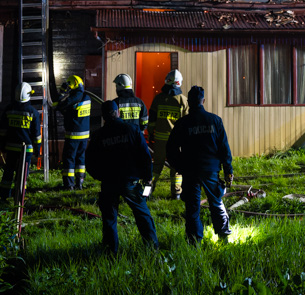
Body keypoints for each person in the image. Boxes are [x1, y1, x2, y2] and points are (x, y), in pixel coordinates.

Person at [85, 99, 159, 254]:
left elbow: (90, 162)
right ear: (117, 112)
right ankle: (152, 248)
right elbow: (145, 156)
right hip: (130, 181)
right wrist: (147, 178)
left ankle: (110, 252)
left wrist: (101, 176)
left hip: (109, 182)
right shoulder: (132, 130)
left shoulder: (98, 135)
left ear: (104, 117)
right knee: (142, 214)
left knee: (109, 218)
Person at [167, 86, 233, 244]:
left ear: (189, 102)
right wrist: (228, 171)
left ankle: (194, 241)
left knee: (192, 208)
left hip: (190, 170)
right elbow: (225, 148)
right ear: (203, 101)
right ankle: (223, 237)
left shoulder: (183, 123)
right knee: (216, 202)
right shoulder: (215, 120)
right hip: (210, 170)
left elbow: (170, 148)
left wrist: (178, 165)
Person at [148, 69, 189, 199]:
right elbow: (186, 123)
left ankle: (147, 192)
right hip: (176, 141)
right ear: (179, 83)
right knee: (176, 167)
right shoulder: (183, 100)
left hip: (160, 140)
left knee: (157, 166)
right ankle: (176, 193)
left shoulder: (158, 99)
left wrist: (150, 134)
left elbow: (152, 120)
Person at [0, 82, 41, 202]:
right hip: (26, 149)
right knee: (22, 174)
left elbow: (2, 131)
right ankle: (19, 197)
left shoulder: (8, 110)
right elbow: (36, 135)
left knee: (8, 172)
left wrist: (2, 146)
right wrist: (38, 150)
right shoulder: (33, 112)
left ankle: (4, 196)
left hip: (11, 147)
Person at [55, 75, 91, 190]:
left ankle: (68, 185)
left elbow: (57, 105)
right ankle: (79, 183)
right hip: (85, 135)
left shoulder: (73, 98)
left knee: (69, 158)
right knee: (81, 158)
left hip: (73, 135)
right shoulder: (87, 97)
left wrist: (61, 92)